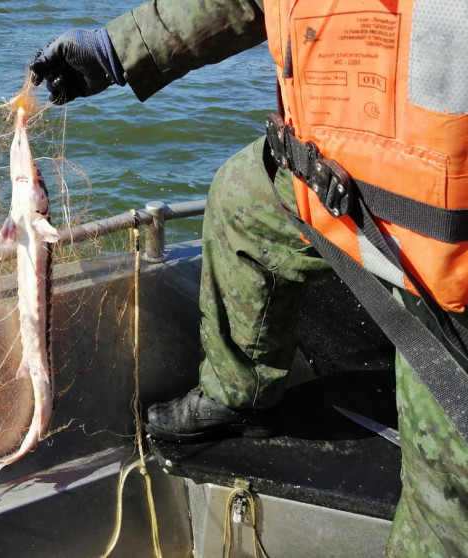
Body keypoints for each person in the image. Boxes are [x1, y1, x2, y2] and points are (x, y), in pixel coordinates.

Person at [28, 1, 468, 556]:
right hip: (338, 183)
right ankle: (240, 392)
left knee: (447, 506)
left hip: (453, 250)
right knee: (242, 200)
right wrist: (118, 49)